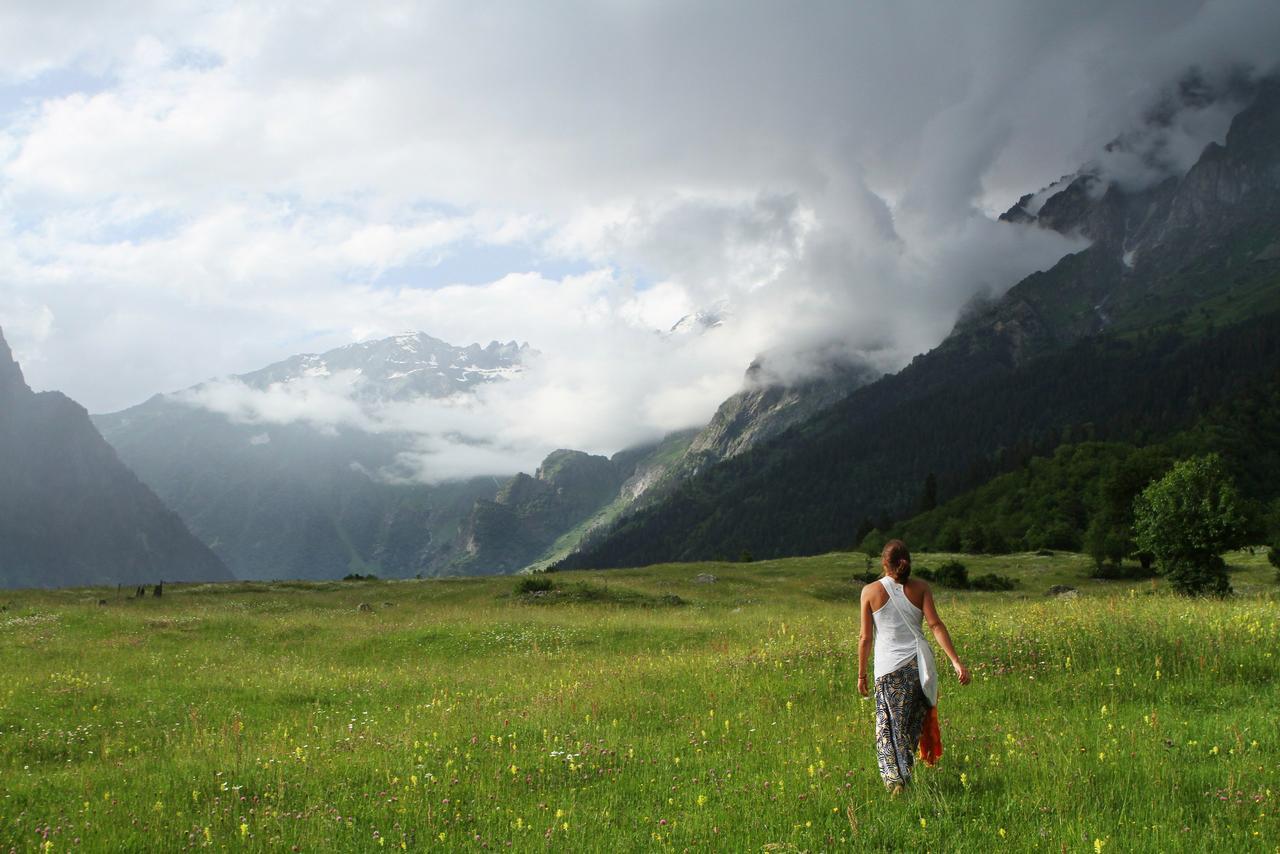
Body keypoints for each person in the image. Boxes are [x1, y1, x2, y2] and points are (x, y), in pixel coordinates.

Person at [858, 539, 970, 793]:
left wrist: (861, 675)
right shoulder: (921, 588)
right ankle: (904, 778)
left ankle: (897, 781)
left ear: (884, 563)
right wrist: (955, 662)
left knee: (888, 727)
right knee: (910, 728)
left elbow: (865, 638)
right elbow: (936, 625)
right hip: (919, 668)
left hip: (888, 669)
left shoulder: (870, 591)